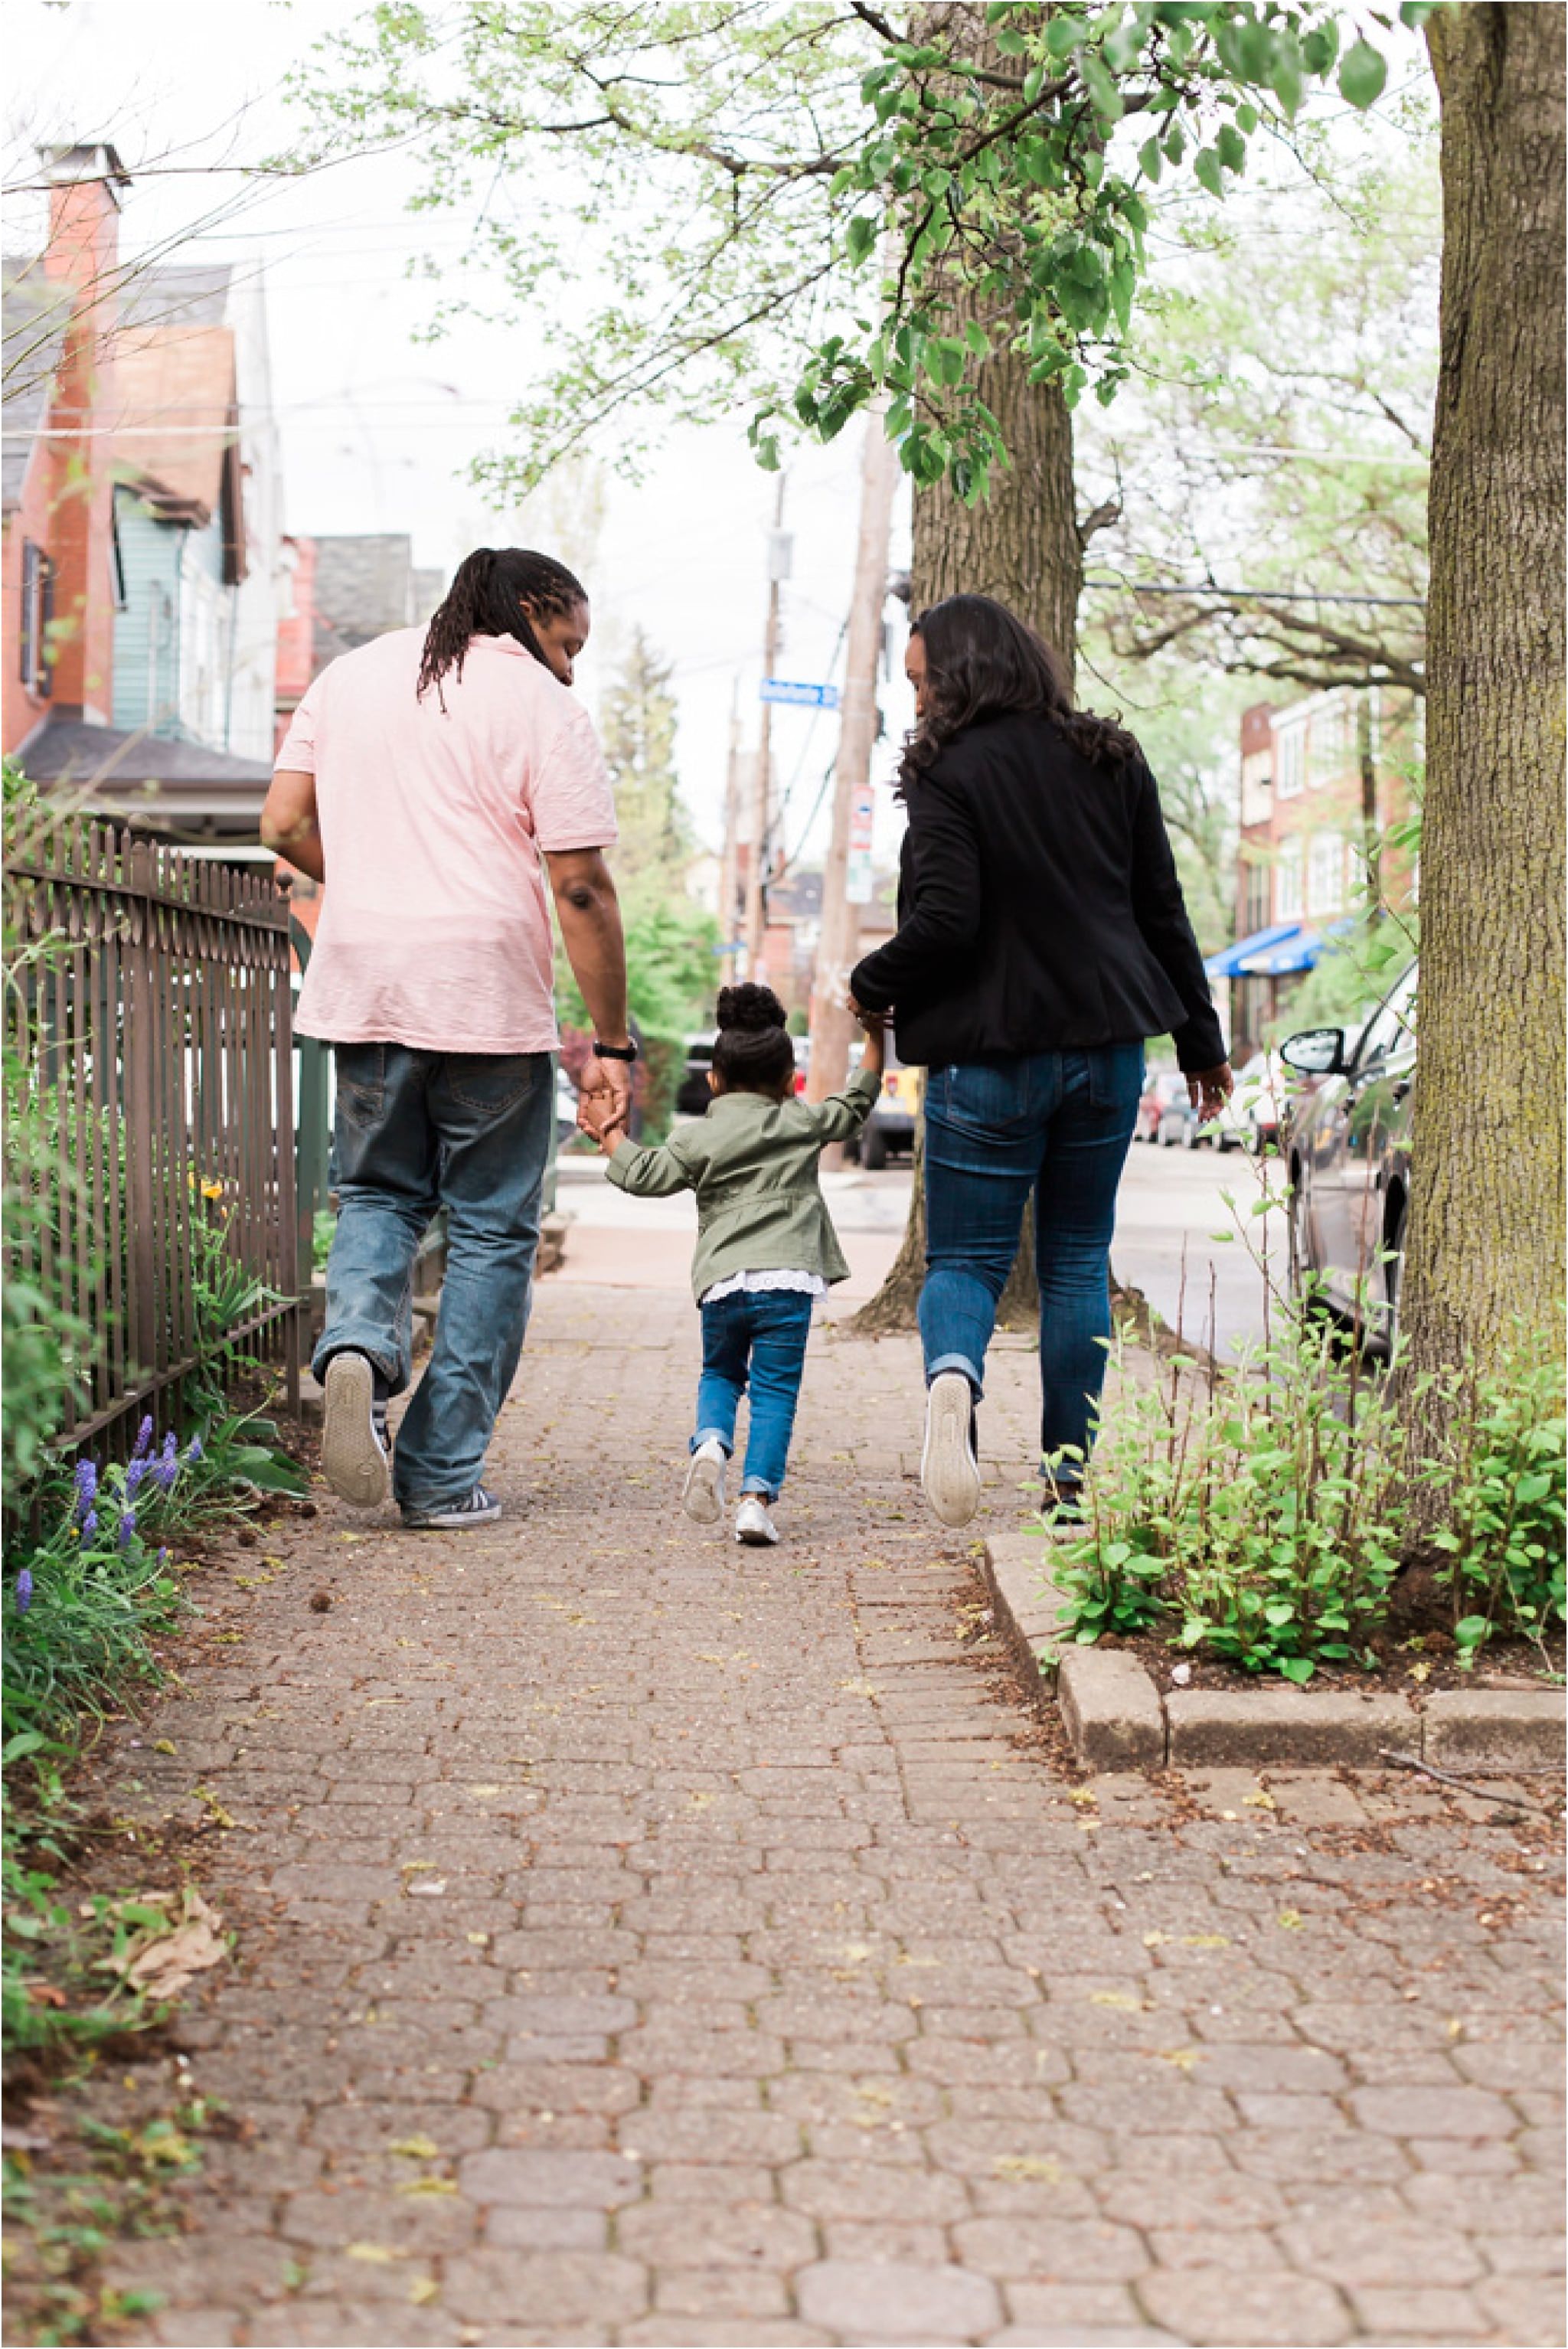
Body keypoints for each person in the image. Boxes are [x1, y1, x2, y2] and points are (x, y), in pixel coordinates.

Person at [262, 546, 635, 1531]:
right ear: (524, 611)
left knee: (378, 1192)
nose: (569, 668)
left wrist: (378, 879)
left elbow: (282, 821)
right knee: (489, 1232)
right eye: (565, 642)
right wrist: (613, 1044)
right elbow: (581, 887)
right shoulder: (542, 708)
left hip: (369, 985)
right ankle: (436, 1478)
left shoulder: (347, 676)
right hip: (484, 998)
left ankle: (353, 1349)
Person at [848, 593, 1231, 1532]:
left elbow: (947, 920)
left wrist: (866, 979)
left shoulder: (947, 770)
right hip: (1106, 1048)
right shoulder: (1111, 756)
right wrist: (1200, 1041)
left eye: (921, 679)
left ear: (962, 673)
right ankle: (1066, 1484)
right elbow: (1159, 908)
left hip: (988, 1055)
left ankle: (952, 1378)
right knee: (1073, 1261)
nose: (916, 700)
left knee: (969, 1260)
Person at [582, 984, 883, 1546]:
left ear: (714, 1081)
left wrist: (609, 1133)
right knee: (774, 1391)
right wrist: (873, 1036)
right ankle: (755, 1501)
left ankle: (713, 1442)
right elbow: (855, 1104)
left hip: (723, 1283)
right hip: (787, 1282)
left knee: (720, 1372)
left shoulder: (700, 1137)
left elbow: (642, 1174)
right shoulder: (801, 1123)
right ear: (789, 1080)